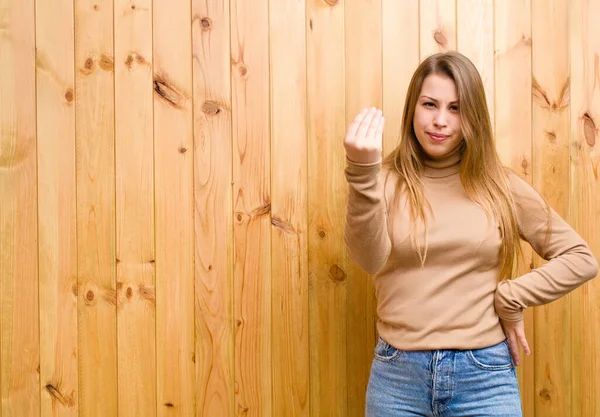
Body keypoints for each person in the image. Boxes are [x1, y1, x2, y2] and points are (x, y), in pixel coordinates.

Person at [343, 51, 598, 417]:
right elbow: (369, 259)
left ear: (472, 116)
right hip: (398, 378)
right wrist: (362, 173)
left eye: (456, 108)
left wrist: (512, 296)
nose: (440, 121)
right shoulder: (383, 182)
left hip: (484, 378)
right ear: (412, 109)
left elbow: (581, 259)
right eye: (430, 104)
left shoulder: (499, 185)